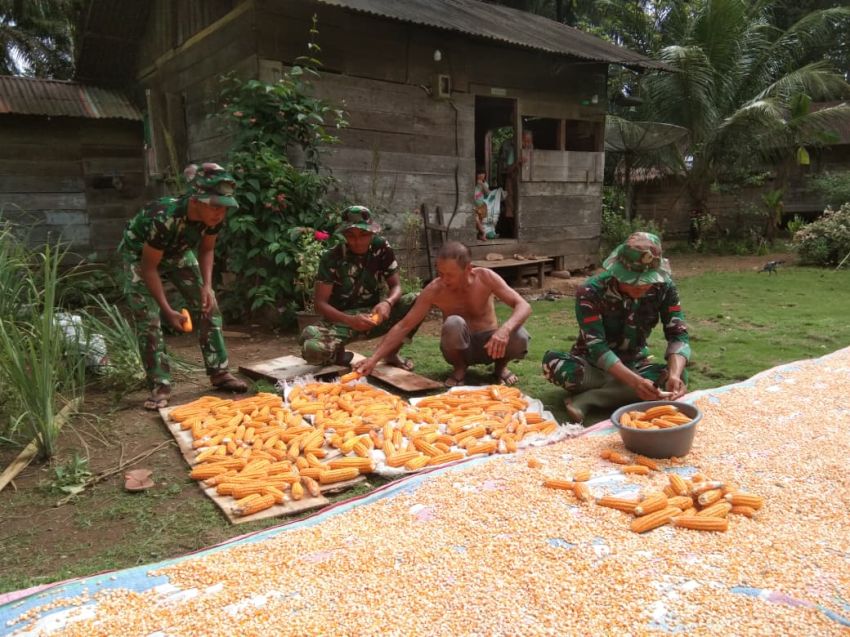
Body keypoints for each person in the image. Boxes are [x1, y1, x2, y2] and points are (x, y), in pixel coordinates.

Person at [118, 162, 248, 411]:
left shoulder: (213, 217)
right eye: (215, 206)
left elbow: (207, 249)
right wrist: (167, 310)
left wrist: (207, 286)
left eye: (225, 207)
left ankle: (220, 373)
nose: (220, 212)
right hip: (140, 256)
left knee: (209, 306)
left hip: (178, 252)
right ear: (196, 200)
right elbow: (149, 268)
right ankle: (160, 385)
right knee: (149, 321)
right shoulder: (165, 218)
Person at [542, 232, 690, 424]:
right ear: (618, 271)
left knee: (679, 374)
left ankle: (592, 398)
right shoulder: (590, 292)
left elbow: (678, 335)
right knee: (552, 364)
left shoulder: (665, 288)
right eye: (633, 280)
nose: (642, 286)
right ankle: (627, 390)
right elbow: (597, 348)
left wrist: (674, 375)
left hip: (636, 363)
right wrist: (635, 382)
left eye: (647, 280)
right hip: (592, 365)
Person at [354, 241, 532, 387]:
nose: (444, 279)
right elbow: (404, 325)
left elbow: (523, 305)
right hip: (458, 348)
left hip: (491, 345)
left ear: (468, 268)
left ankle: (500, 368)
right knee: (453, 323)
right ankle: (460, 368)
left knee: (520, 335)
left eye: (450, 275)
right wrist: (373, 359)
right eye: (440, 273)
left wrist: (504, 330)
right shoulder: (435, 289)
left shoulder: (485, 277)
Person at [300, 205, 418, 369]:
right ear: (344, 234)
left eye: (364, 234)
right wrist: (350, 320)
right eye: (351, 235)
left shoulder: (381, 247)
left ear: (372, 233)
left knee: (417, 300)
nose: (358, 241)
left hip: (374, 316)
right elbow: (320, 304)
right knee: (311, 347)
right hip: (341, 321)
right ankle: (335, 355)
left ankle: (391, 353)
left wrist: (388, 303)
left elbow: (396, 286)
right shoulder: (331, 257)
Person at [473, 168, 490, 241]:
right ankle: (483, 232)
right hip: (473, 206)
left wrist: (482, 184)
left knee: (479, 222)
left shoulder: (485, 184)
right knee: (476, 219)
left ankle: (481, 235)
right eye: (479, 174)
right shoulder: (473, 183)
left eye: (483, 174)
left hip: (481, 206)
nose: (481, 175)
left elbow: (488, 193)